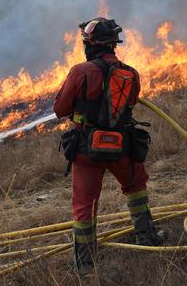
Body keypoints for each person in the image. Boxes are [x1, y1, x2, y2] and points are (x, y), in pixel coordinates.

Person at [54, 17, 163, 274]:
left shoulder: (81, 72)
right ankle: (147, 236)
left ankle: (84, 262)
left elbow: (60, 109)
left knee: (84, 203)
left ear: (90, 44)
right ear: (113, 44)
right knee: (136, 187)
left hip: (86, 149)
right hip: (121, 147)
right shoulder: (130, 73)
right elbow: (132, 101)